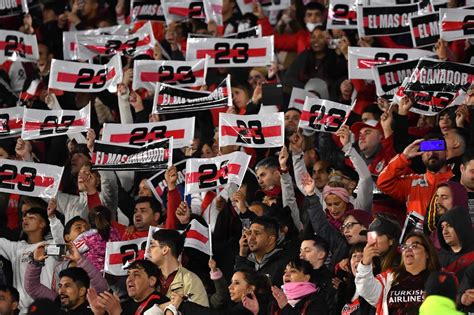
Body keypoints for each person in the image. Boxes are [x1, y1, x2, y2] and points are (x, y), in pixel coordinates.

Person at [355, 231, 440, 315]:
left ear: (427, 253)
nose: (408, 250)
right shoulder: (388, 278)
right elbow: (365, 288)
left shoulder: (440, 280)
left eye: (414, 246)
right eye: (405, 247)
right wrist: (365, 264)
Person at [377, 135, 454, 217]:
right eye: (427, 148)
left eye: (437, 147)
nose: (431, 153)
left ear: (446, 152)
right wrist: (404, 157)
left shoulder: (458, 181)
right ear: (421, 155)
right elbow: (383, 182)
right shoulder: (412, 183)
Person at [165, 268, 270, 315]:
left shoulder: (248, 309)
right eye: (231, 282)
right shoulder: (241, 306)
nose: (230, 287)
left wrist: (184, 305)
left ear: (250, 289)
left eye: (236, 283)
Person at [148, 229, 209, 306]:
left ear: (165, 250)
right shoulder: (148, 278)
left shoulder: (190, 280)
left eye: (152, 246)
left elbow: (200, 311)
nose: (148, 250)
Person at [87, 259, 169, 315]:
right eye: (128, 274)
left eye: (136, 275)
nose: (129, 279)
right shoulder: (125, 305)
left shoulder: (161, 303)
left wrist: (117, 313)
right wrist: (99, 313)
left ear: (151, 280)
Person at [235, 216, 292, 287]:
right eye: (250, 233)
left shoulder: (284, 265)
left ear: (271, 240)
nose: (251, 237)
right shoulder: (248, 261)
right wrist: (242, 255)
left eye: (257, 233)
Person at [437, 206, 474, 281]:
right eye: (442, 227)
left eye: (449, 226)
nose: (444, 232)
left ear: (461, 226)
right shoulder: (437, 259)